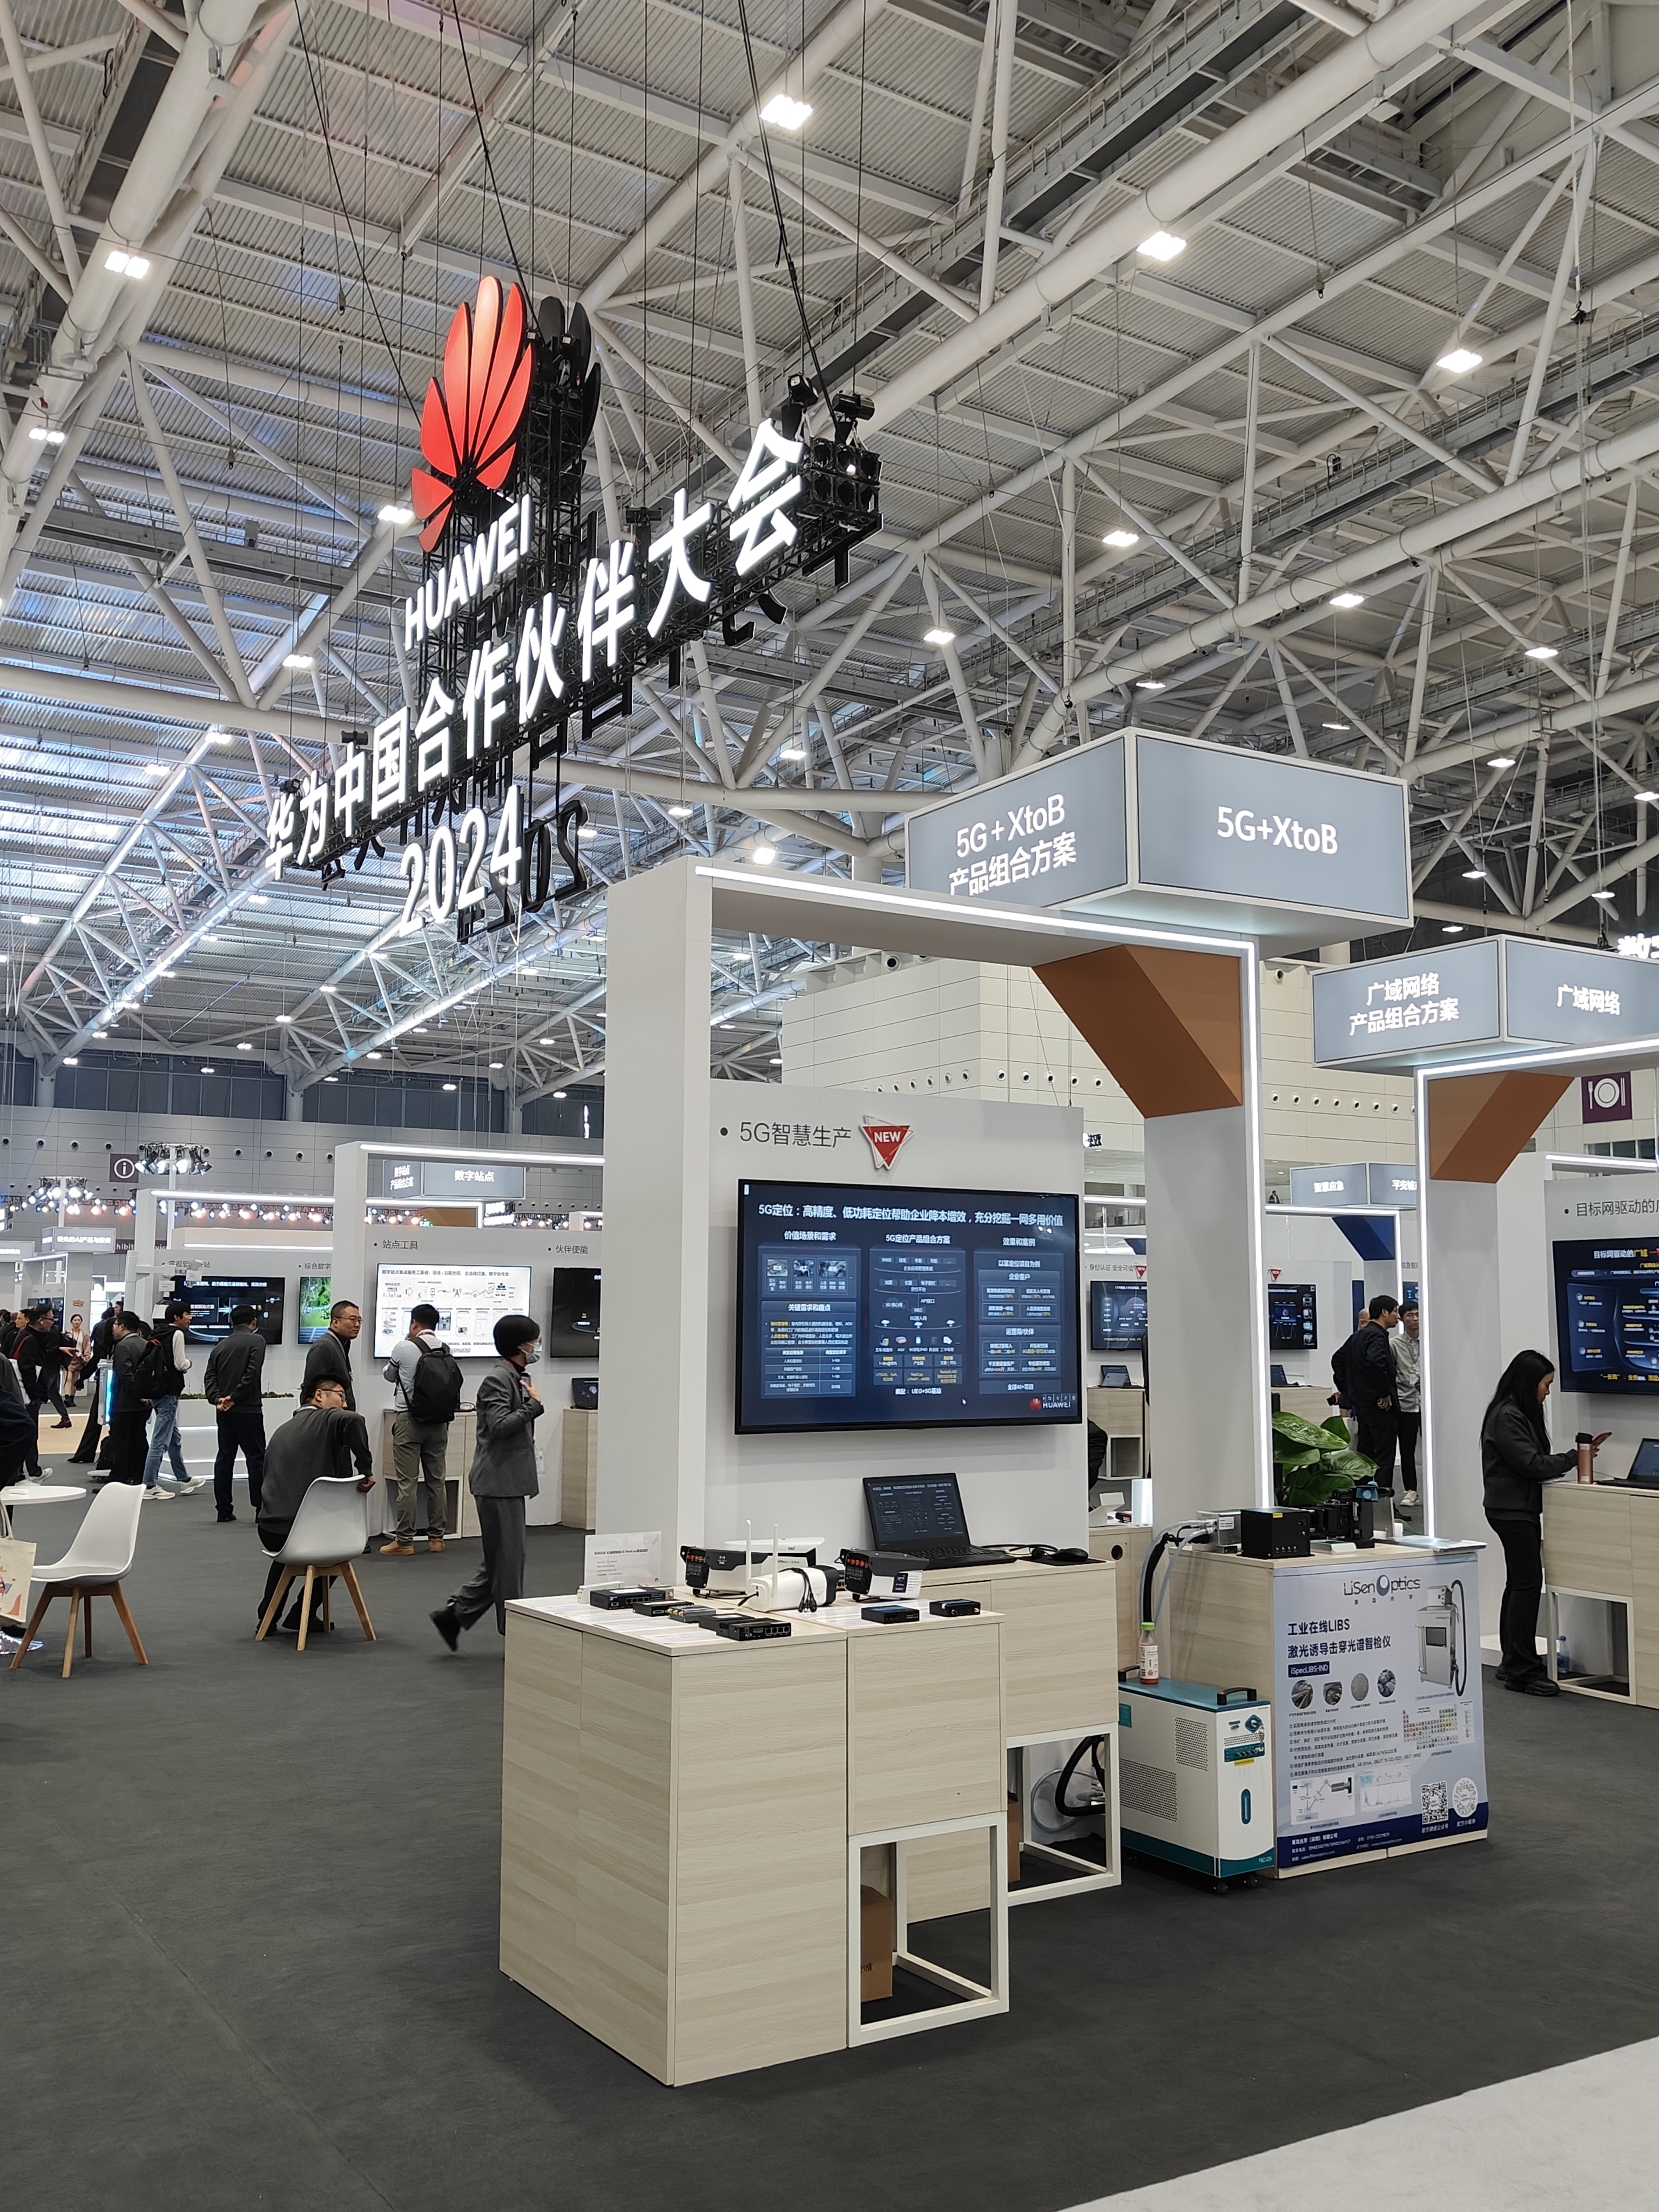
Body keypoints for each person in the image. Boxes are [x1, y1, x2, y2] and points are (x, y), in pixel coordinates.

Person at [1482, 1349, 1607, 1695]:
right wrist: (1573, 1458)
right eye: (1546, 1384)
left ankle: (1513, 1661)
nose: (1548, 1392)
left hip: (1513, 1508)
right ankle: (1522, 1670)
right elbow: (1532, 1465)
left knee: (1518, 1584)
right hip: (1512, 1511)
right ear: (1529, 1382)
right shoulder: (1508, 1417)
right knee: (1526, 1585)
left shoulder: (1512, 1413)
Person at [431, 1313, 543, 1651]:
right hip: (498, 1483)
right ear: (522, 1346)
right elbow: (498, 1426)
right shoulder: (498, 1379)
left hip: (506, 1482)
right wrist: (534, 1407)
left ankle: (455, 1615)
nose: (537, 1347)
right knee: (508, 1563)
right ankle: (513, 1634)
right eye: (534, 1341)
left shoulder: (515, 1376)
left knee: (502, 1560)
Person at [255, 1377, 374, 1637]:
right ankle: (302, 1614)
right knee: (337, 1546)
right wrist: (365, 1470)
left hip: (271, 1530)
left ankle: (268, 1616)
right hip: (308, 1534)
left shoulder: (282, 1430)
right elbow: (355, 1420)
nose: (344, 1404)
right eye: (341, 1396)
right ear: (320, 1395)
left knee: (288, 1554)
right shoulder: (327, 1419)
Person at [381, 1301, 460, 1557]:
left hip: (409, 1420)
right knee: (437, 1481)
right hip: (439, 1423)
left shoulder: (404, 1347)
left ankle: (405, 1541)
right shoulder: (444, 1349)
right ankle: (437, 1538)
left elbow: (389, 1375)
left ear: (414, 1322)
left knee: (408, 1483)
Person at [203, 1304, 267, 1525]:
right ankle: (260, 1509)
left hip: (224, 1411)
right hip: (248, 1409)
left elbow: (209, 1377)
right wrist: (236, 1397)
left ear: (232, 1323)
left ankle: (223, 1510)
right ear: (253, 1322)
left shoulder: (220, 1346)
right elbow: (252, 1372)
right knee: (256, 1459)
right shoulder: (257, 1341)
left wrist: (218, 1399)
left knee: (225, 1457)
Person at [1331, 1296, 1400, 1492]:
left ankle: (1363, 1499)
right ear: (1384, 1313)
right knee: (1384, 1455)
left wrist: (1349, 1388)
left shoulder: (1358, 1336)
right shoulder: (1377, 1336)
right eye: (1395, 1311)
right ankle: (1383, 1501)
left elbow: (1337, 1360)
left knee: (1365, 1454)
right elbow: (1376, 1362)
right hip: (1379, 1405)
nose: (1398, 1316)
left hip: (1362, 1404)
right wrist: (1384, 1393)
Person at [141, 1299, 201, 1497]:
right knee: (159, 1441)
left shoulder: (157, 1332)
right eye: (187, 1314)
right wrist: (189, 1364)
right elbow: (179, 1364)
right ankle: (149, 1486)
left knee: (174, 1439)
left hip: (157, 1390)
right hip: (170, 1392)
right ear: (177, 1317)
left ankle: (184, 1480)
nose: (190, 1318)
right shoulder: (177, 1334)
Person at [107, 1311, 158, 1492]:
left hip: (124, 1403)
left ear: (122, 1326)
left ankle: (118, 1480)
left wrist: (137, 1394)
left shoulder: (123, 1346)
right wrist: (146, 1396)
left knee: (121, 1441)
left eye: (115, 1325)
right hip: (144, 1404)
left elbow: (125, 1375)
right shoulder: (146, 1344)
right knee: (139, 1439)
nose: (113, 1329)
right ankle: (139, 1476)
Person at [17, 1307, 76, 1431]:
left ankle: (65, 1417)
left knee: (52, 1392)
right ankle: (65, 1417)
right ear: (41, 1321)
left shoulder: (38, 1336)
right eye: (51, 1319)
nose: (18, 1321)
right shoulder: (30, 1338)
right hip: (34, 1384)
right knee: (52, 1393)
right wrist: (35, 1396)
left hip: (46, 1373)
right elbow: (27, 1368)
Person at [301, 1299, 361, 1407]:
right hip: (328, 1415)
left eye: (359, 1320)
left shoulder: (341, 1344)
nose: (357, 1325)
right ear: (335, 1322)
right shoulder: (324, 1347)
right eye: (353, 1320)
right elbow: (310, 1391)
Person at [1393, 1301, 1422, 1507]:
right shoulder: (1395, 1345)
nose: (1415, 1319)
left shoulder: (1429, 1342)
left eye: (1418, 1314)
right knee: (1407, 1449)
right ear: (1402, 1319)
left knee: (1437, 1448)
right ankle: (1411, 1490)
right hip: (1406, 1402)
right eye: (1411, 1315)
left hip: (1429, 1404)